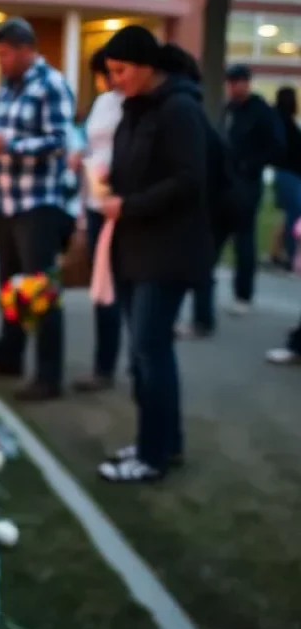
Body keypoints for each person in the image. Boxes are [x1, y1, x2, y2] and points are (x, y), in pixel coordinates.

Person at [96, 26, 212, 483]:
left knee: (149, 349)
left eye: (121, 70)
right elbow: (137, 169)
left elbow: (188, 180)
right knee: (146, 351)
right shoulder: (136, 109)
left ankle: (152, 455)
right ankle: (162, 440)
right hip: (135, 246)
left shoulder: (180, 108)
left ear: (147, 66)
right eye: (110, 72)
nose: (115, 80)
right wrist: (109, 180)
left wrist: (130, 204)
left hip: (168, 251)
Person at [0, 18, 74, 401]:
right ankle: (9, 355)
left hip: (38, 204)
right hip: (6, 200)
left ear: (23, 49)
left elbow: (60, 141)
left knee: (40, 291)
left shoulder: (51, 85)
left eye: (3, 54)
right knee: (10, 286)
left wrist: (10, 145)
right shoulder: (9, 87)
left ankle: (48, 375)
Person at [71, 49, 124, 392]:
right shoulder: (103, 102)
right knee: (101, 287)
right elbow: (85, 138)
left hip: (119, 204)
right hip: (93, 200)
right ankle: (103, 363)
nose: (107, 79)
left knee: (118, 286)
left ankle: (117, 362)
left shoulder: (135, 105)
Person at [221, 63, 282, 314]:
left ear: (247, 82)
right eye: (232, 82)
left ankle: (243, 294)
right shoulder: (229, 110)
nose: (235, 87)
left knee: (244, 238)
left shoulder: (262, 111)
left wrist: (251, 164)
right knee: (218, 234)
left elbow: (277, 145)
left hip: (248, 181)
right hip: (226, 181)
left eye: (239, 82)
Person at [272, 87, 301, 266]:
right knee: (294, 215)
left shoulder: (280, 122)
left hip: (287, 173)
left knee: (290, 216)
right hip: (290, 173)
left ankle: (279, 252)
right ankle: (292, 255)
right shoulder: (286, 124)